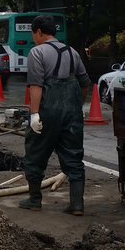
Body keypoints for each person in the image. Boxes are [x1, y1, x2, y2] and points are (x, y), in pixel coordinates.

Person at [20, 14, 92, 216]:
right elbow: (85, 83)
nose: (33, 38)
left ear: (39, 32)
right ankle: (77, 204)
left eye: (33, 34)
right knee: (74, 156)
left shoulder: (37, 52)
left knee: (35, 153)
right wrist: (77, 106)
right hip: (71, 113)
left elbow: (36, 85)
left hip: (48, 112)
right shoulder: (72, 52)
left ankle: (34, 200)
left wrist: (34, 114)